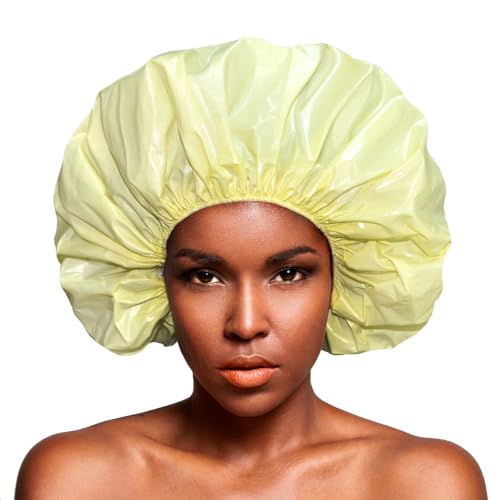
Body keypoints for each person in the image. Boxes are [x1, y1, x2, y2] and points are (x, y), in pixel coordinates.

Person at [16, 38, 487, 498]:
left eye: (289, 274)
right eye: (204, 277)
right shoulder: (78, 480)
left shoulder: (424, 484)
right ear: (155, 282)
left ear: (343, 279)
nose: (245, 325)